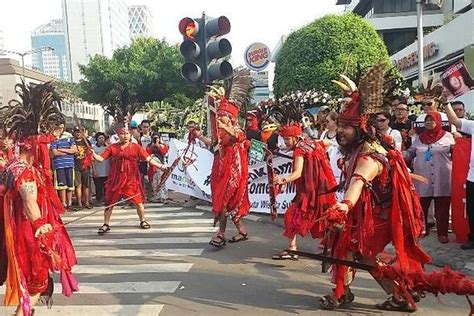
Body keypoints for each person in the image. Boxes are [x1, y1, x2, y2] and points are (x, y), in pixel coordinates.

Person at [321, 63, 431, 312]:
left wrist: (343, 206)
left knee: (358, 250)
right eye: (339, 125)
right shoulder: (360, 148)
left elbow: (359, 181)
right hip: (371, 212)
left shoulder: (369, 156)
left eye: (346, 127)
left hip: (380, 216)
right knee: (349, 247)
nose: (339, 132)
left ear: (361, 129)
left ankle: (400, 294)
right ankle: (343, 291)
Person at [0, 82, 78, 316]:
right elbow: (29, 200)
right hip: (27, 230)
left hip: (17, 227)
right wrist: (41, 227)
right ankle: (22, 312)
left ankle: (25, 310)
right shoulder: (25, 172)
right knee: (37, 276)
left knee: (31, 276)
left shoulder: (11, 166)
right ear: (34, 146)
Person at [270, 104, 337, 260]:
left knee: (291, 215)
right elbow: (326, 144)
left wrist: (281, 180)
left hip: (310, 191)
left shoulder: (300, 150)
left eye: (287, 139)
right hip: (322, 189)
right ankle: (331, 246)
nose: (285, 142)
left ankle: (293, 249)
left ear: (295, 137)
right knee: (325, 218)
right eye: (284, 139)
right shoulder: (310, 143)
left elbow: (297, 173)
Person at [196, 70, 252, 247]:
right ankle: (242, 230)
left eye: (223, 117)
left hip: (234, 171)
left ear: (231, 118)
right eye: (219, 116)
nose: (220, 119)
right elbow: (213, 145)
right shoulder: (220, 132)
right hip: (219, 169)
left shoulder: (237, 130)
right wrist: (198, 136)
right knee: (223, 202)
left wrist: (220, 124)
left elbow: (237, 137)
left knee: (224, 202)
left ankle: (220, 234)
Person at [92, 123, 168, 234]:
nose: (125, 136)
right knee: (110, 201)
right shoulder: (113, 147)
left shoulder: (136, 147)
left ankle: (143, 220)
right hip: (116, 179)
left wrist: (161, 166)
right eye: (122, 134)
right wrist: (93, 153)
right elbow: (100, 159)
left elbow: (148, 159)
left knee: (138, 201)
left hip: (131, 178)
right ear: (118, 135)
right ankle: (106, 223)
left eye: (127, 133)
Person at [405, 112, 455, 243]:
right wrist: (398, 155)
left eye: (432, 120)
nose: (429, 123)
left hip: (442, 177)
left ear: (438, 122)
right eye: (427, 121)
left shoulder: (448, 137)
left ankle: (442, 233)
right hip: (423, 177)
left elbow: (458, 153)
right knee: (422, 206)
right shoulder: (419, 138)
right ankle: (422, 229)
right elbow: (410, 152)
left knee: (442, 207)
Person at [445, 102, 474, 249]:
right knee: (471, 210)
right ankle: (472, 238)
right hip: (472, 177)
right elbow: (455, 121)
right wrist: (445, 103)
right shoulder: (473, 125)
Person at [50, 123, 78, 210]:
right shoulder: (54, 138)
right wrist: (68, 151)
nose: (60, 129)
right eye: (59, 127)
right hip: (59, 165)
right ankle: (63, 204)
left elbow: (74, 150)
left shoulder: (69, 136)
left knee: (70, 185)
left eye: (62, 127)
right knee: (61, 186)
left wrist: (61, 150)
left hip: (69, 164)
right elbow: (54, 153)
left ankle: (69, 203)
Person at [73, 126, 93, 209]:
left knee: (86, 185)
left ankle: (87, 202)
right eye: (76, 131)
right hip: (75, 165)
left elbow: (90, 153)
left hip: (85, 165)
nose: (78, 133)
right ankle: (80, 203)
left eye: (80, 131)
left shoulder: (86, 141)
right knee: (78, 185)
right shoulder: (72, 141)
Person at [147, 132, 169, 203]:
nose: (156, 139)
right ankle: (156, 196)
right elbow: (147, 153)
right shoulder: (149, 145)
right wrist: (152, 146)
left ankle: (163, 196)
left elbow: (164, 152)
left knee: (161, 180)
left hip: (161, 165)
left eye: (157, 138)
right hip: (152, 166)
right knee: (153, 181)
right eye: (154, 138)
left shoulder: (162, 145)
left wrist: (158, 146)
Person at [92, 132, 109, 205]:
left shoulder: (108, 147)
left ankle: (106, 199)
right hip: (98, 170)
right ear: (96, 139)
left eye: (103, 138)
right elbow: (92, 160)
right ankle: (98, 199)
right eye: (99, 138)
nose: (101, 139)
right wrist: (94, 170)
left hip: (107, 170)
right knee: (98, 186)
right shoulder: (93, 148)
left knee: (106, 187)